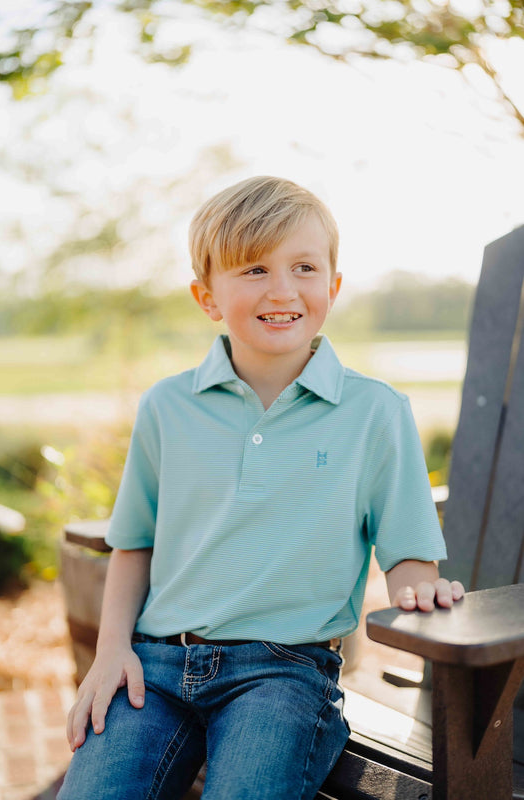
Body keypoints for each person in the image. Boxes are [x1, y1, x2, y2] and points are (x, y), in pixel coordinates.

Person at [58, 176, 464, 800]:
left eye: (303, 267)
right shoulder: (168, 406)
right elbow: (134, 544)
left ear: (331, 286)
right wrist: (111, 649)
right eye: (253, 269)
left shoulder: (375, 411)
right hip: (156, 666)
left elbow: (408, 550)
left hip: (284, 673)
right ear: (206, 296)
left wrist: (420, 592)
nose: (282, 290)